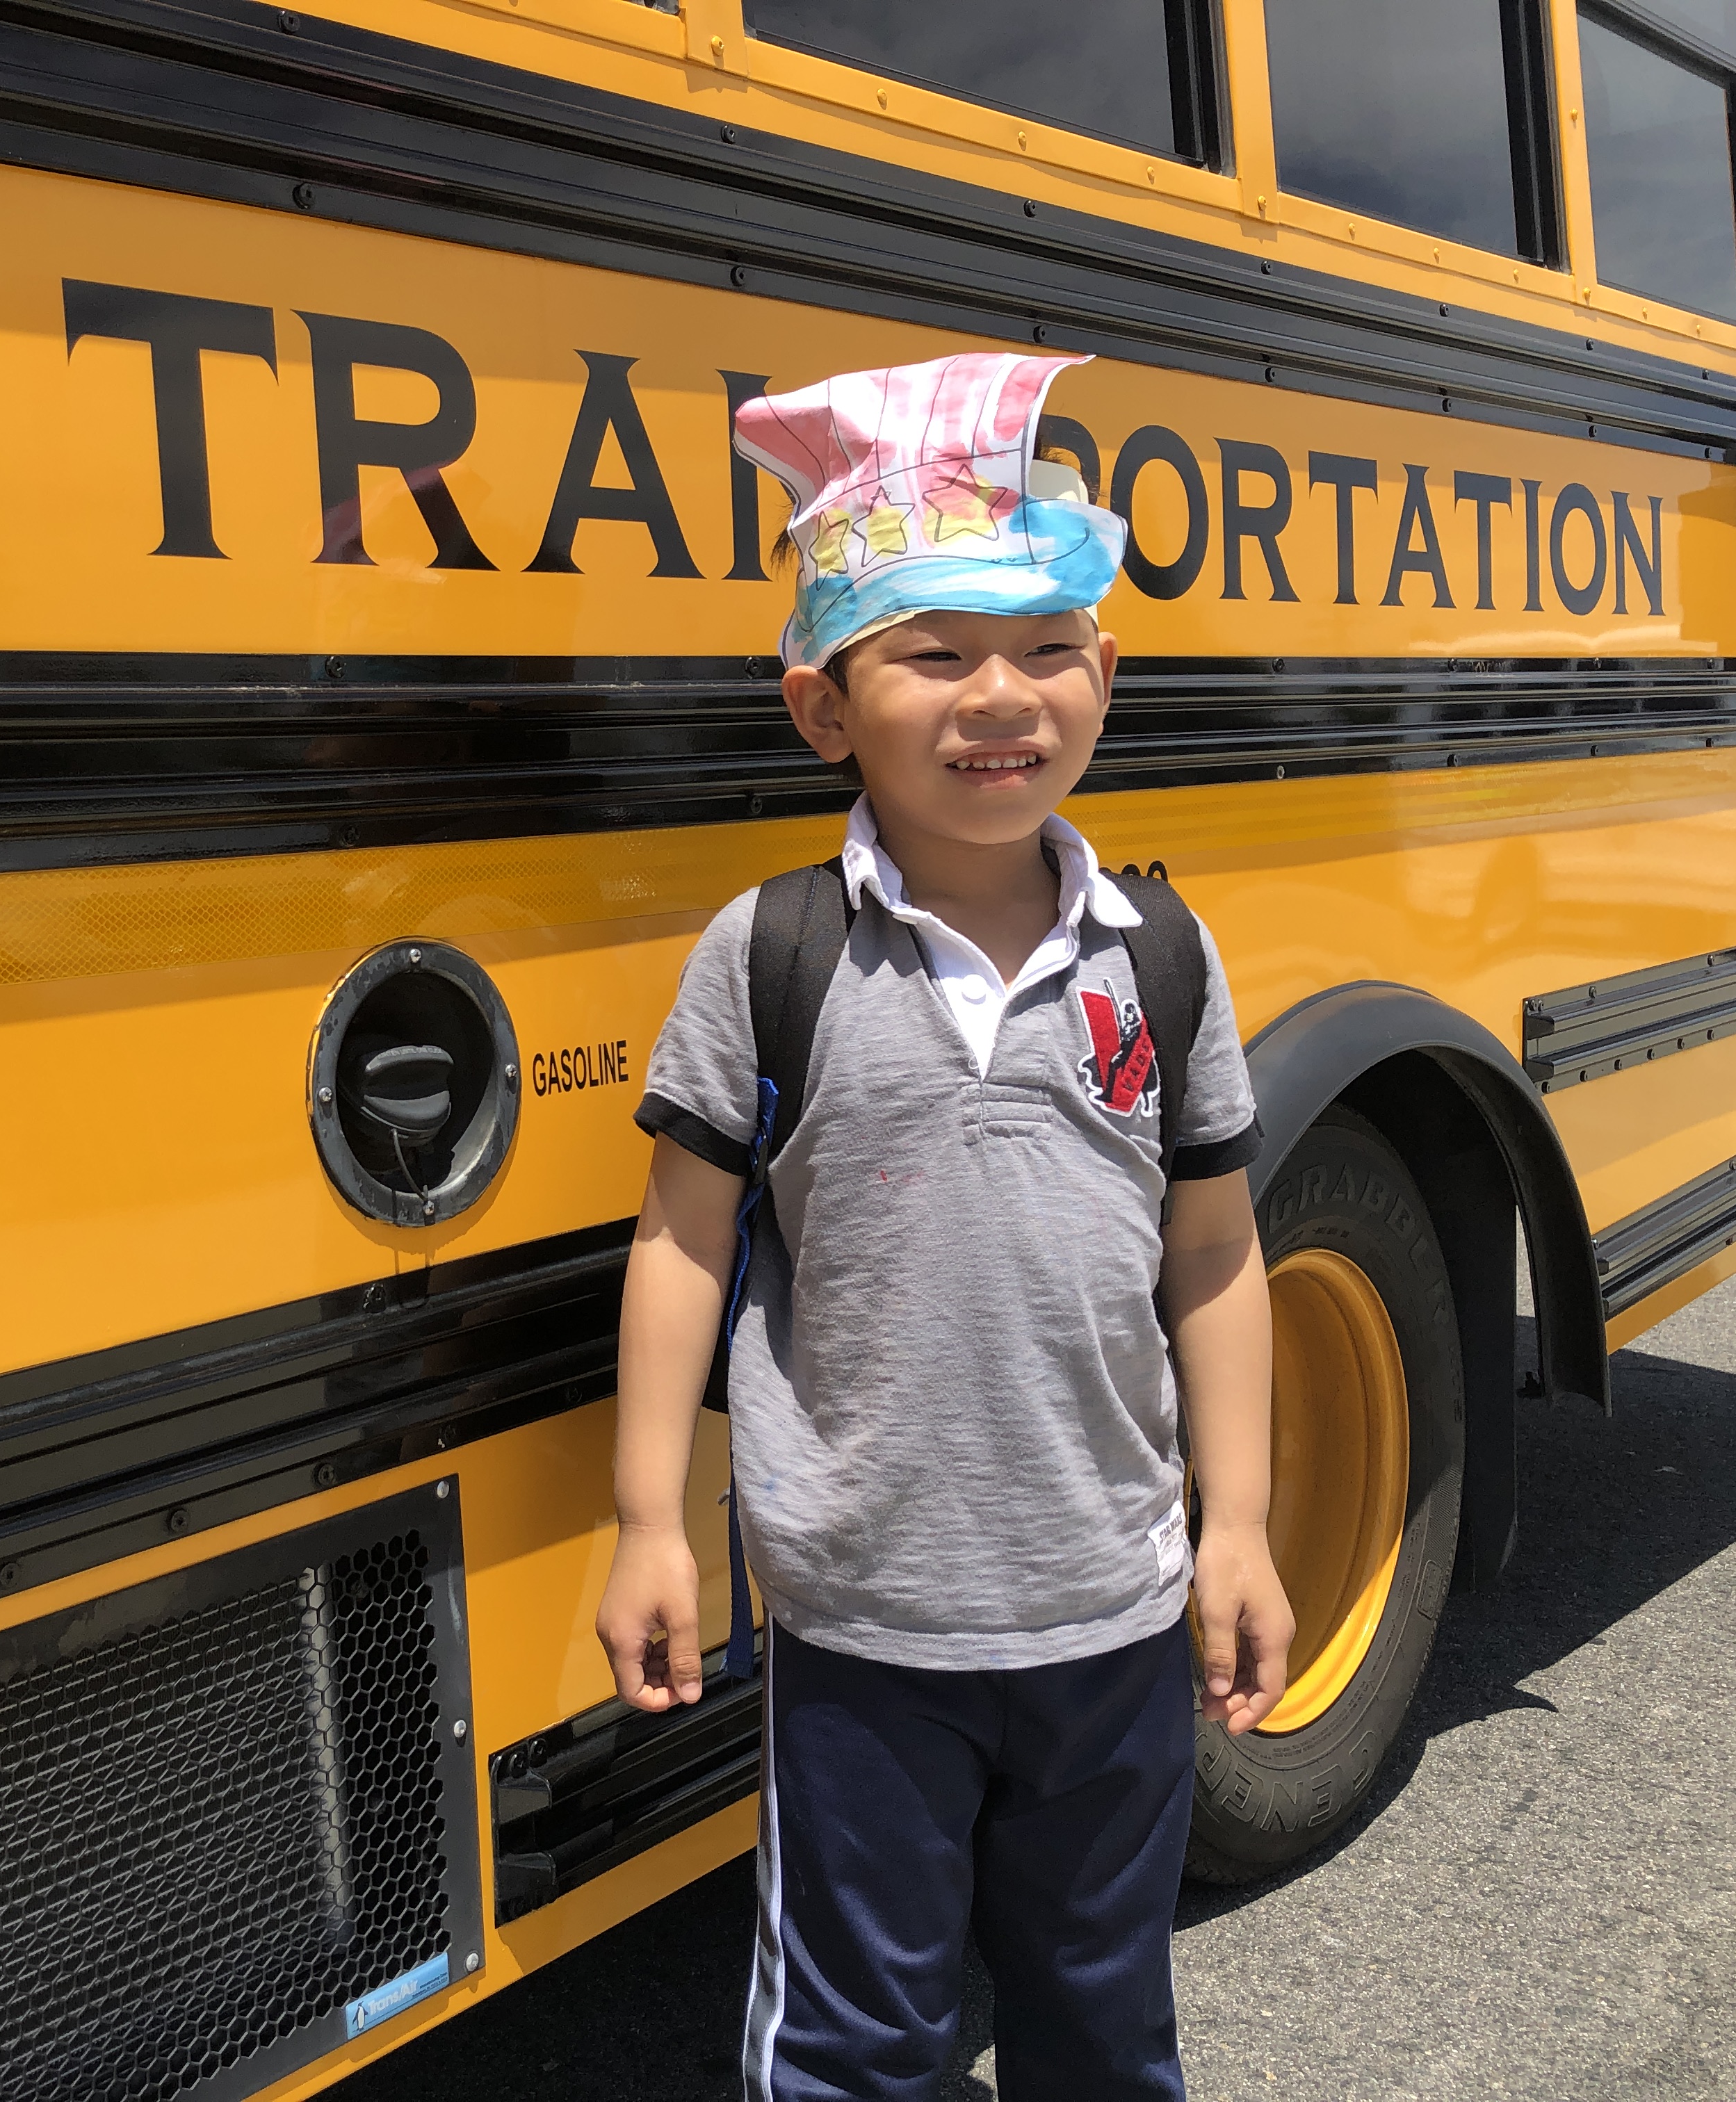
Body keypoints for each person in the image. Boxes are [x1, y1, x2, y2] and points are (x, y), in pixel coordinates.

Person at [594, 352, 1294, 2100]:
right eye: (935, 652)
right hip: (865, 1626)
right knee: (857, 2037)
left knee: (1102, 2020)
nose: (1005, 694)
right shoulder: (773, 957)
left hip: (1112, 1612)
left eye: (1051, 647)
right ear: (827, 704)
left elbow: (1211, 1253)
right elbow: (684, 1242)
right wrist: (647, 1524)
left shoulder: (1161, 955)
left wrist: (1244, 1526)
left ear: (1106, 678)